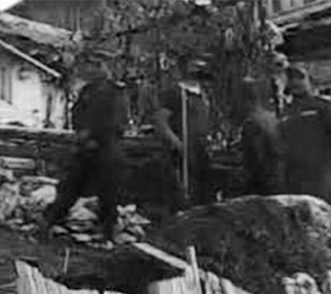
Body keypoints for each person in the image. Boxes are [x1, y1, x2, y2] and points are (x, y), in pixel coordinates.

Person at [41, 50, 130, 241]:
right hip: (85, 148)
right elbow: (77, 115)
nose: (90, 70)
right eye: (89, 65)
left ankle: (108, 231)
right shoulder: (87, 91)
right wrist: (82, 135)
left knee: (108, 191)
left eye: (95, 65)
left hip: (107, 147)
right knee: (69, 186)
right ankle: (49, 222)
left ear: (103, 67)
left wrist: (95, 136)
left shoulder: (116, 92)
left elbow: (116, 122)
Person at [277, 66, 331, 207]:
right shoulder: (285, 114)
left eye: (299, 77)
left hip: (316, 178)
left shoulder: (321, 107)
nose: (296, 82)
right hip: (300, 182)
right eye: (292, 78)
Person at [152, 55, 216, 211]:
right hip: (182, 150)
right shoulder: (175, 93)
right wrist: (174, 141)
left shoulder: (204, 94)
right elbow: (160, 120)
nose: (197, 70)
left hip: (201, 149)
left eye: (200, 67)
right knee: (184, 190)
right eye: (194, 66)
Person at [239, 77, 286, 195]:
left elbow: (256, 159)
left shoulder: (252, 123)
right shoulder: (273, 119)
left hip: (263, 183)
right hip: (279, 178)